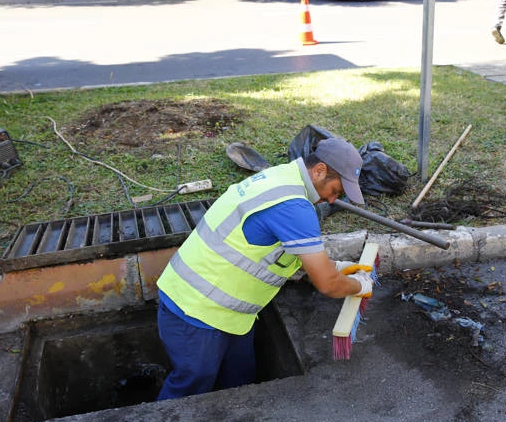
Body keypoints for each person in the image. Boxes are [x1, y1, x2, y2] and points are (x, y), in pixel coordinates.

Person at [154, 137, 374, 400]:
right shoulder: (294, 206)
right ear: (319, 171)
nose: (332, 199)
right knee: (190, 389)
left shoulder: (281, 178)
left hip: (232, 314)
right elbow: (327, 284)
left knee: (241, 382)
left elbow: (273, 250)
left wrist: (336, 266)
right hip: (194, 310)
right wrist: (360, 285)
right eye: (336, 190)